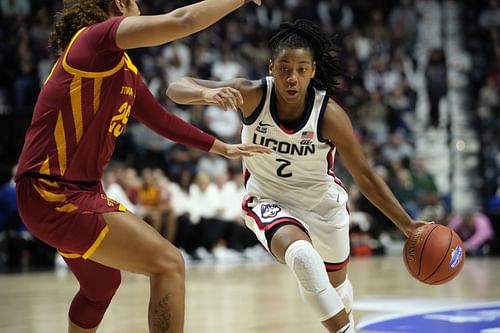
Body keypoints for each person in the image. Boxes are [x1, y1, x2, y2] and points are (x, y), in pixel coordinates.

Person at [14, 0, 269, 332]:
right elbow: (183, 20)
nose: (140, 11)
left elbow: (162, 121)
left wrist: (222, 148)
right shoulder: (92, 41)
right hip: (53, 191)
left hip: (67, 192)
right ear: (120, 4)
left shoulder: (124, 71)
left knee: (101, 285)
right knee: (169, 264)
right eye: (136, 3)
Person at [167, 19, 431, 333]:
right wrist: (206, 94)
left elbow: (365, 175)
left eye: (301, 69)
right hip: (269, 199)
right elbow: (175, 88)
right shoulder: (251, 94)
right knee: (303, 258)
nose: (292, 78)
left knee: (336, 292)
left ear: (313, 71)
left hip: (324, 207)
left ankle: (344, 317)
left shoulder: (329, 115)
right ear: (271, 68)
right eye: (284, 68)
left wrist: (408, 225)